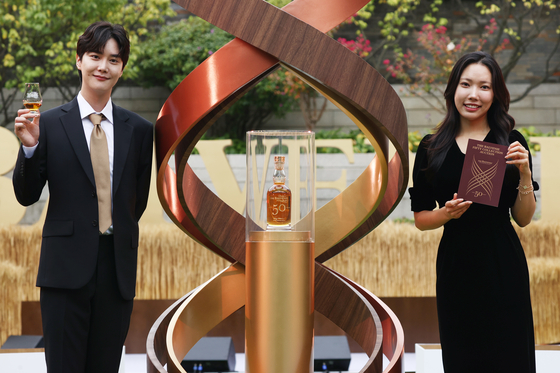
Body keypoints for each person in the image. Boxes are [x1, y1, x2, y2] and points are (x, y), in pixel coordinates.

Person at [12, 22, 153, 373]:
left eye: (113, 59)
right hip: (64, 273)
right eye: (95, 56)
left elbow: (137, 201)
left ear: (122, 68)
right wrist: (29, 149)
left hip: (116, 273)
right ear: (79, 60)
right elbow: (26, 196)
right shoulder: (47, 125)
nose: (103, 66)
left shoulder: (139, 130)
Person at [410, 51, 537, 372]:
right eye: (466, 84)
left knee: (510, 355)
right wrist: (446, 214)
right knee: (462, 355)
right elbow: (421, 218)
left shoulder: (510, 141)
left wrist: (523, 173)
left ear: (495, 95)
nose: (473, 94)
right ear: (454, 89)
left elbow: (523, 218)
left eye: (484, 87)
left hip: (503, 264)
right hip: (457, 266)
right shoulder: (431, 147)